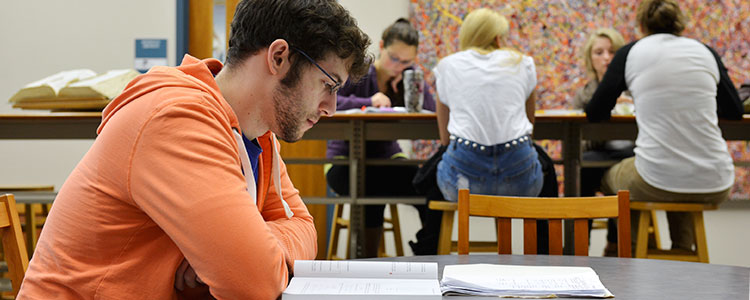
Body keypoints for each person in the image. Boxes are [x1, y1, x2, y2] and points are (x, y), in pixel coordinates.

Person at [18, 0, 370, 299]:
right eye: (328, 84)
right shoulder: (176, 119)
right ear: (279, 57)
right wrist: (246, 259)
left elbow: (304, 227)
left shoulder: (259, 134)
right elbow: (256, 283)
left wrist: (256, 249)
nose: (331, 107)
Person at [586, 0, 743, 254]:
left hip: (656, 180)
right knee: (675, 176)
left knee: (613, 177)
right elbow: (734, 111)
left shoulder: (631, 53)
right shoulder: (705, 52)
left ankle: (631, 253)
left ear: (642, 24)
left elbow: (595, 112)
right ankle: (682, 255)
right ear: (679, 22)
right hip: (715, 181)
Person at [325, 18, 438, 257]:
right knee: (369, 187)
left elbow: (431, 111)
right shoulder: (359, 69)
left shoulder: (408, 75)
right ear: (382, 45)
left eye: (406, 61)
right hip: (344, 161)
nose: (398, 65)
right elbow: (331, 101)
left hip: (388, 160)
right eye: (394, 58)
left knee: (430, 186)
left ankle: (428, 252)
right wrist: (368, 101)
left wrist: (413, 82)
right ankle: (367, 260)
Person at [434, 8, 543, 202]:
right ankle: (546, 233)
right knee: (545, 167)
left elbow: (444, 138)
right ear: (497, 38)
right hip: (520, 177)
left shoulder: (448, 65)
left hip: (463, 179)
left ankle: (431, 233)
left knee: (430, 173)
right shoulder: (522, 63)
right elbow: (529, 122)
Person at [573, 28, 634, 256]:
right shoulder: (583, 94)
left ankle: (616, 245)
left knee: (624, 175)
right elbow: (577, 142)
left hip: (627, 157)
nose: (606, 58)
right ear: (590, 58)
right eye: (599, 52)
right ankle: (580, 247)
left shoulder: (633, 90)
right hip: (595, 159)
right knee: (583, 172)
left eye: (612, 52)